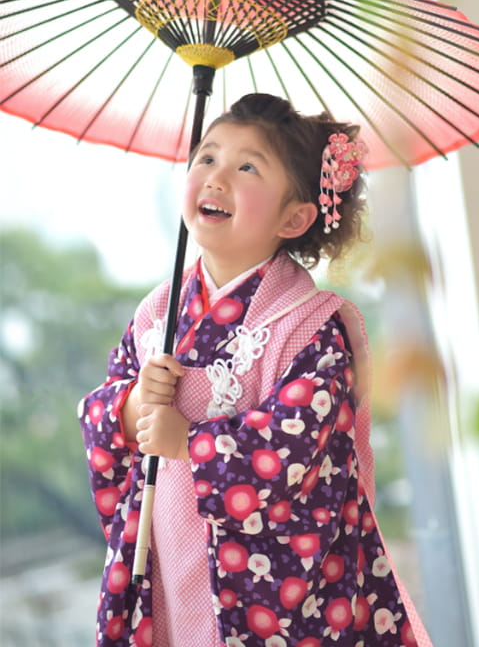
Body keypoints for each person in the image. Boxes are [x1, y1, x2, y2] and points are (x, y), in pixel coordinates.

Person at [79, 93, 433, 647]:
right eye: (207, 157)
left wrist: (186, 442)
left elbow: (296, 449)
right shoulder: (157, 313)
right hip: (168, 560)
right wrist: (132, 405)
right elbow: (106, 409)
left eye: (247, 167)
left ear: (295, 217)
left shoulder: (311, 325)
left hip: (264, 588)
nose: (216, 177)